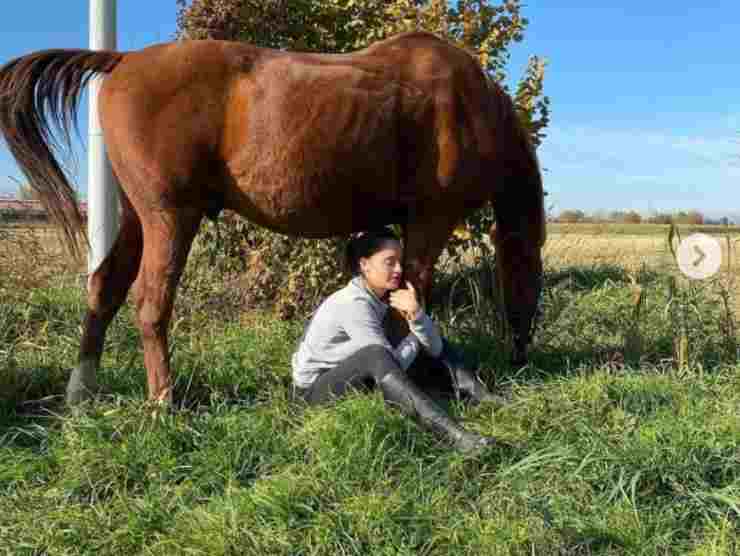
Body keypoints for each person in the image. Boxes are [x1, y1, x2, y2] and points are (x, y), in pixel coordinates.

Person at [290, 227, 503, 454]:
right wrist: (414, 338)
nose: (399, 269)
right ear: (364, 265)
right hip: (311, 394)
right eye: (389, 262)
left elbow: (436, 348)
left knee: (419, 339)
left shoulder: (384, 297)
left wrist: (417, 315)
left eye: (400, 261)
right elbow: (385, 364)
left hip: (352, 377)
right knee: (380, 353)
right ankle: (458, 439)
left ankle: (479, 395)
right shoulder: (353, 304)